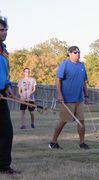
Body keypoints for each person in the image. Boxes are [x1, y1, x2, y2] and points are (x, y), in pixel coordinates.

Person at [48, 46, 90, 150]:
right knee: (63, 121)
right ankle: (53, 142)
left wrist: (86, 95)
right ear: (70, 54)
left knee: (81, 121)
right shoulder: (65, 65)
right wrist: (59, 94)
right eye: (75, 52)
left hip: (79, 99)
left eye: (79, 52)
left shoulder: (82, 66)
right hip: (67, 99)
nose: (77, 54)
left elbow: (84, 82)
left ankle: (82, 143)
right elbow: (58, 80)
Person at [0, 15, 20, 174]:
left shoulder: (4, 50)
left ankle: (4, 166)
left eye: (6, 29)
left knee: (7, 131)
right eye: (1, 30)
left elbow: (4, 73)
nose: (5, 32)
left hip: (1, 95)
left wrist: (7, 86)